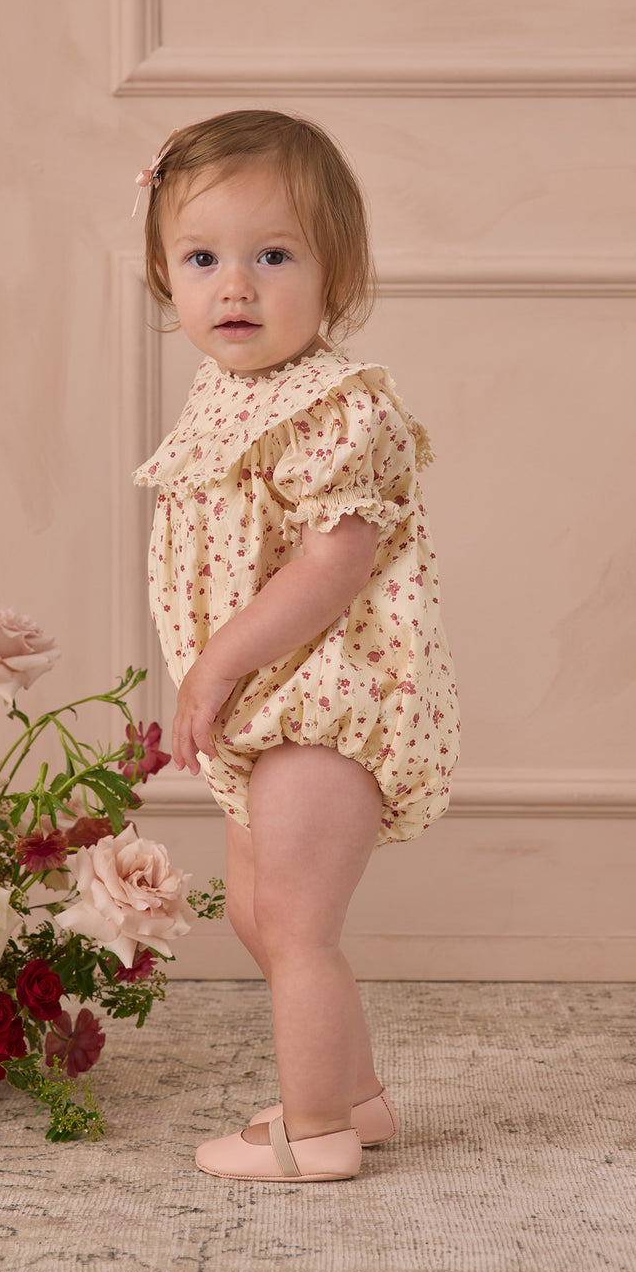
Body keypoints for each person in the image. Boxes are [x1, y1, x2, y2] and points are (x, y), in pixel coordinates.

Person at [132, 110, 459, 1181]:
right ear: (165, 275)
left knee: (300, 928)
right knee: (262, 921)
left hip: (325, 702)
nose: (236, 286)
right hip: (265, 715)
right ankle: (355, 1097)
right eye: (203, 258)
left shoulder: (334, 406)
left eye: (272, 256)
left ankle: (311, 1134)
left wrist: (218, 661)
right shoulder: (228, 396)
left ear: (336, 274)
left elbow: (334, 563)